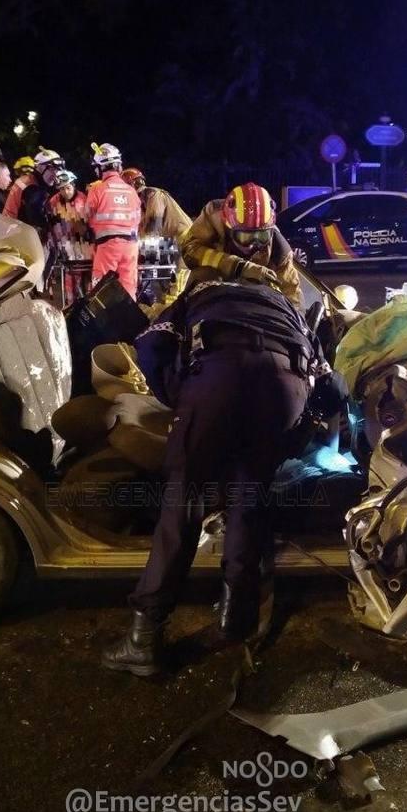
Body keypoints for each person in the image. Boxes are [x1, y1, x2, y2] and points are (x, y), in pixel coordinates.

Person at [101, 278, 344, 675]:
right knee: (249, 500)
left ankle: (144, 639)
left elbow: (151, 343)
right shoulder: (287, 306)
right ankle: (236, 619)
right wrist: (303, 424)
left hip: (218, 376)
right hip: (284, 389)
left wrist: (181, 398)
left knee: (184, 503)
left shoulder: (201, 291)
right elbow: (332, 385)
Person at [179, 183, 302, 308]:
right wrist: (240, 267)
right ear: (229, 229)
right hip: (212, 300)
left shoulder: (279, 250)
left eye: (261, 237)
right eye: (246, 237)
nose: (252, 245)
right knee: (202, 274)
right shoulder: (213, 218)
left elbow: (292, 296)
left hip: (251, 308)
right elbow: (190, 250)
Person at [84, 142, 142, 298]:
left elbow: (86, 215)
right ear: (118, 165)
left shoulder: (97, 189)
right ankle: (130, 320)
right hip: (131, 246)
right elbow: (137, 219)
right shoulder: (131, 190)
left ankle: (100, 320)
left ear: (100, 167)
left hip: (107, 246)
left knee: (100, 290)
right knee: (128, 287)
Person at [44, 169, 91, 304]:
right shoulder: (53, 201)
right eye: (62, 189)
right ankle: (70, 306)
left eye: (68, 188)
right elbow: (51, 224)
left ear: (73, 185)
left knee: (86, 283)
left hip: (83, 246)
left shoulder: (82, 200)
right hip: (64, 247)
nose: (65, 192)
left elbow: (86, 226)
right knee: (68, 283)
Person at [121, 167, 192, 242]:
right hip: (173, 240)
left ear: (132, 184)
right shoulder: (140, 204)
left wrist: (143, 243)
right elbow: (138, 230)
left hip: (185, 237)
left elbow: (154, 223)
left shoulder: (153, 194)